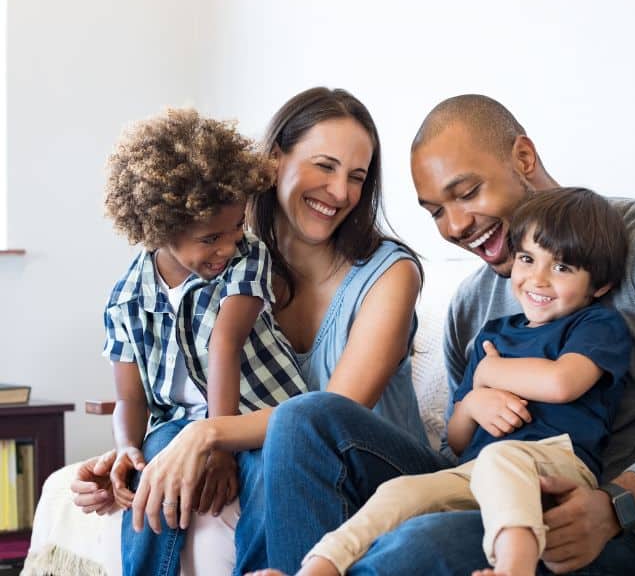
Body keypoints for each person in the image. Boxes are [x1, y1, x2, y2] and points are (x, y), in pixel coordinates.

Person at [256, 94, 635, 575]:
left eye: (467, 193)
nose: (454, 226)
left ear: (523, 156)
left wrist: (615, 506)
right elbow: (460, 449)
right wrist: (471, 408)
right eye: (434, 211)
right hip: (483, 495)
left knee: (416, 545)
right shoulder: (472, 304)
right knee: (305, 419)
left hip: (599, 529)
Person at [71, 88, 427, 573]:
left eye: (357, 178)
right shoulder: (222, 261)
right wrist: (129, 454)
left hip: (374, 468)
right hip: (269, 450)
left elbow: (329, 417)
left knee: (293, 432)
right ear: (275, 160)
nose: (341, 192)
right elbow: (174, 381)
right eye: (325, 166)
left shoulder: (388, 274)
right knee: (164, 459)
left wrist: (208, 435)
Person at [273, 187, 631, 576]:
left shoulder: (595, 324)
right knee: (401, 491)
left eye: (562, 268)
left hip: (557, 468)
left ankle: (514, 566)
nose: (538, 280)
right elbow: (458, 439)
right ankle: (316, 568)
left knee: (501, 457)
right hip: (477, 472)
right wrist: (475, 403)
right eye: (527, 259)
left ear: (599, 287)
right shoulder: (494, 334)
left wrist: (489, 374)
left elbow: (563, 383)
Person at [101, 107, 307, 576]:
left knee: (266, 475)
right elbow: (128, 397)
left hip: (259, 415)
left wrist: (219, 445)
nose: (229, 246)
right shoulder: (125, 300)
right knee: (152, 467)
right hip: (178, 423)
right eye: (211, 237)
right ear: (161, 230)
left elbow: (225, 344)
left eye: (236, 228)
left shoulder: (247, 259)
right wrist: (126, 447)